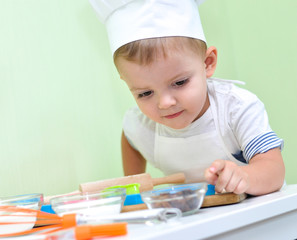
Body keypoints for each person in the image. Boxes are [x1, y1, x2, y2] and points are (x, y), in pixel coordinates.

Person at [89, 0, 285, 195]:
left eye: (180, 82)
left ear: (207, 63)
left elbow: (274, 170)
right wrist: (133, 190)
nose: (165, 103)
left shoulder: (237, 108)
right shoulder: (144, 125)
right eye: (145, 93)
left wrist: (246, 177)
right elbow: (131, 136)